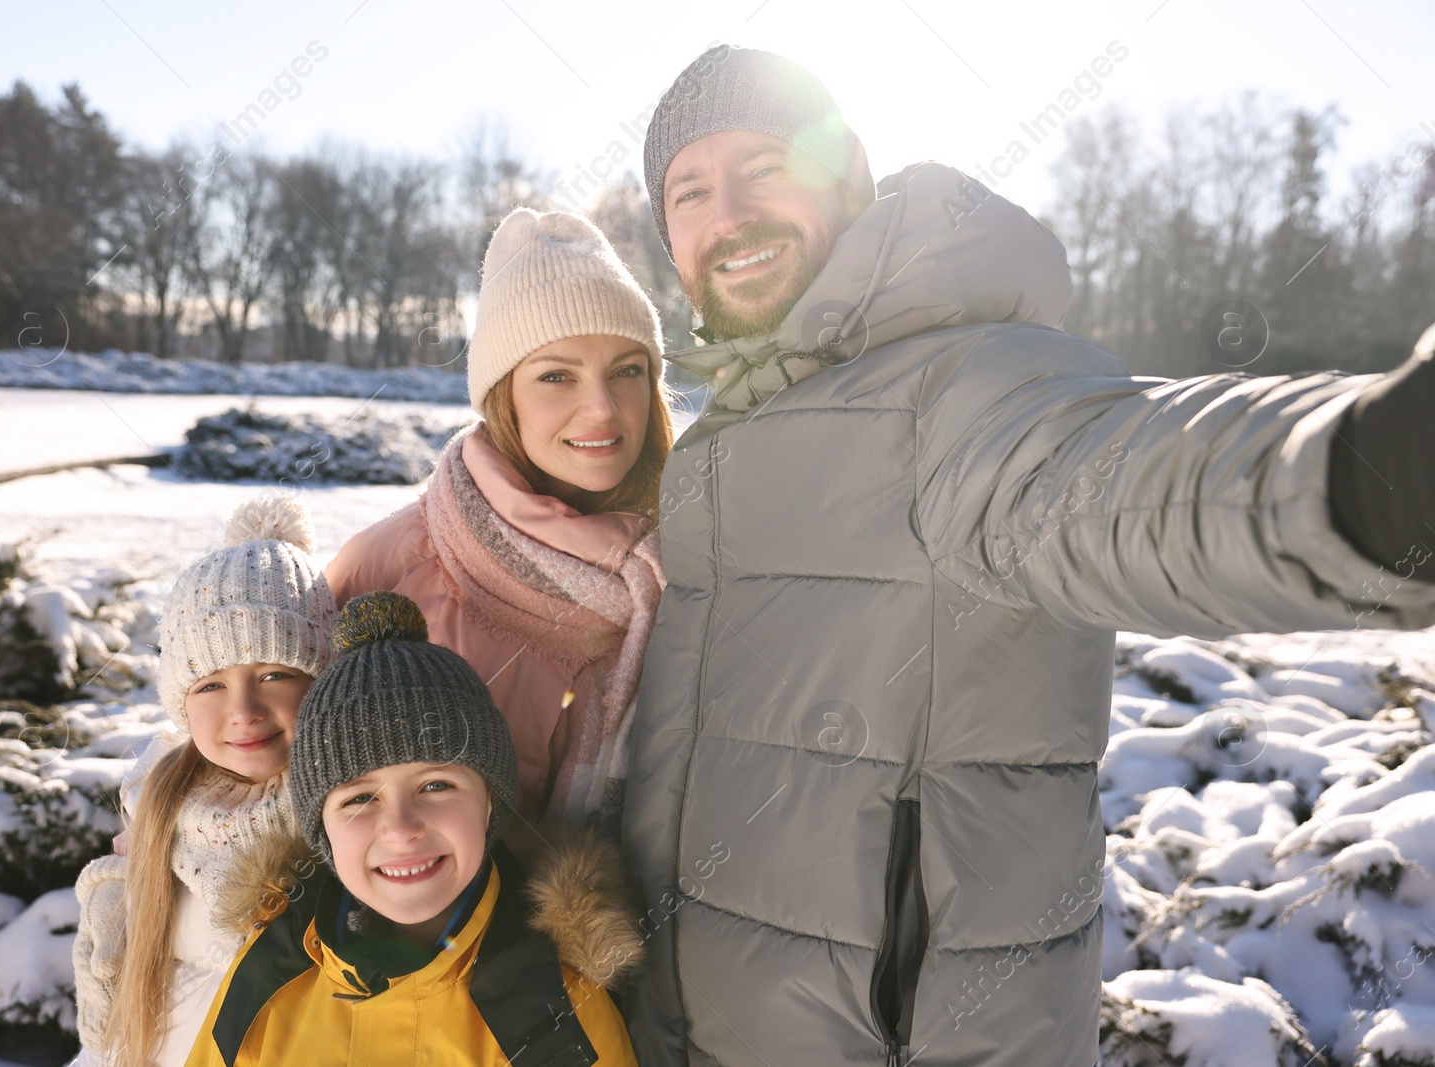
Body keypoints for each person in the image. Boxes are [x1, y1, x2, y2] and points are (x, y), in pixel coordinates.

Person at [619, 44, 1435, 1067]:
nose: (728, 212)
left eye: (766, 167)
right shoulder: (725, 438)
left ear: (849, 180)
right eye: (690, 190)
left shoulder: (962, 384)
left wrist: (1378, 466)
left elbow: (1121, 484)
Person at [184, 591, 642, 1067]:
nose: (401, 830)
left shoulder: (557, 1010)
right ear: (322, 829)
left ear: (491, 805)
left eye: (436, 785)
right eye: (360, 799)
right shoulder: (268, 975)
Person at [327, 207, 671, 832]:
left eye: (627, 371)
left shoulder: (698, 563)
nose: (601, 407)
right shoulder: (386, 569)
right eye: (556, 376)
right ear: (502, 397)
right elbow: (259, 785)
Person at [71, 494, 336, 1067]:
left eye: (274, 674)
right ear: (180, 702)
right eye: (210, 685)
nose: (243, 709)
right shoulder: (161, 804)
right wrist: (115, 893)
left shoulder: (348, 814)